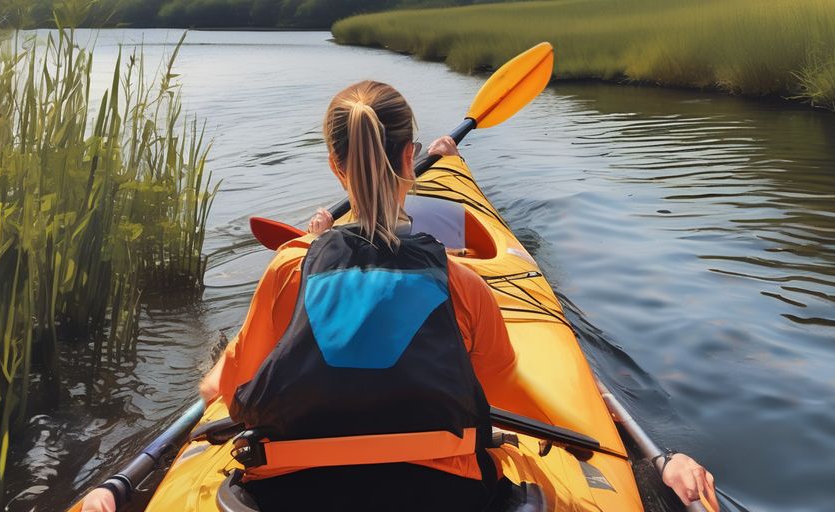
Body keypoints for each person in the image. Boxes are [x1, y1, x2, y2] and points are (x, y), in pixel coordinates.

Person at [80, 80, 718, 512]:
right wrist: (657, 463)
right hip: (446, 493)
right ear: (410, 157)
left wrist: (221, 368)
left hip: (286, 496)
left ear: (336, 165)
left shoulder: (288, 272)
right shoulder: (464, 285)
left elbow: (225, 392)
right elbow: (506, 396)